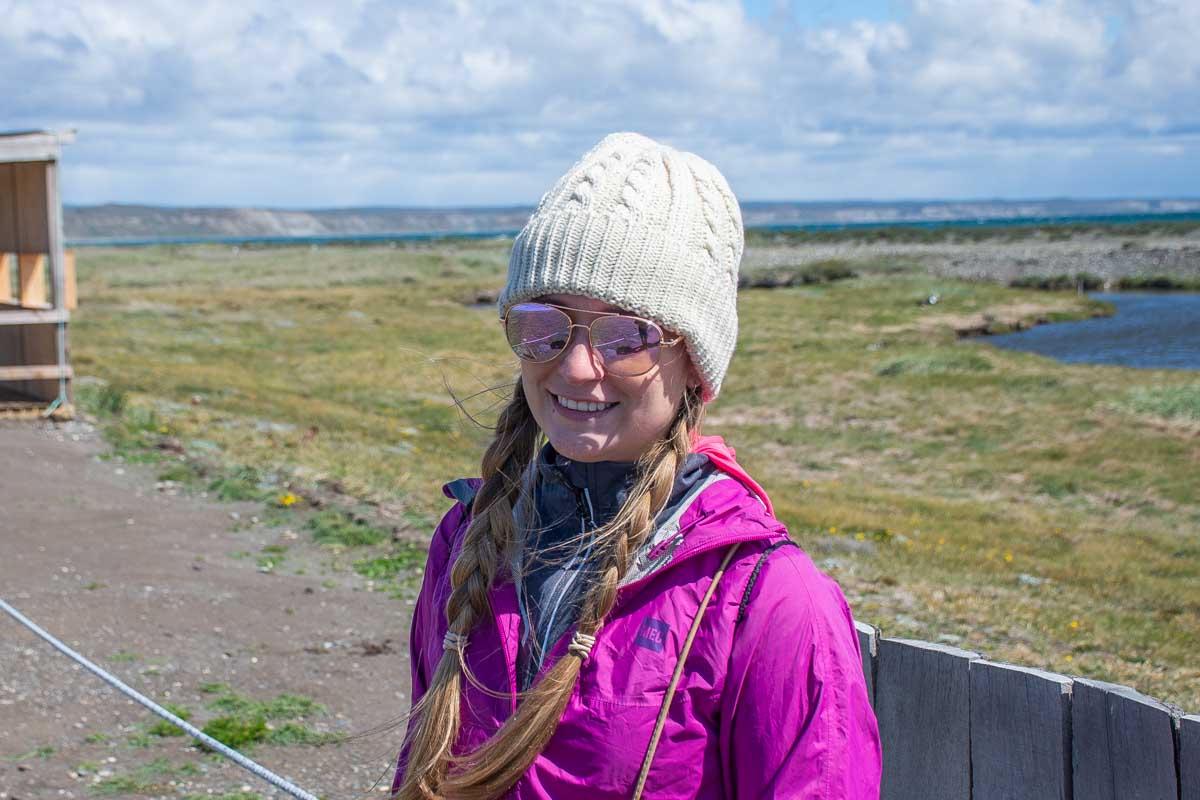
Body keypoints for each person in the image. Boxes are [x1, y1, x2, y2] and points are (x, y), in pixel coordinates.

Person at [392, 132, 881, 799]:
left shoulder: (765, 600)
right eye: (545, 324)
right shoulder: (467, 541)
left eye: (628, 336)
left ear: (695, 363)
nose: (575, 366)